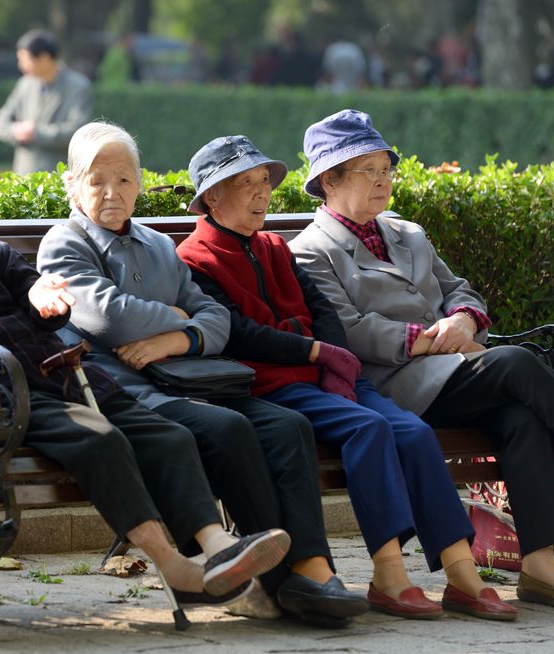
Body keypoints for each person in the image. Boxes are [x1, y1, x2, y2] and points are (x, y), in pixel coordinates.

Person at [0, 146, 291, 606]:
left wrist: (49, 298)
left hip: (70, 378)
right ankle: (176, 567)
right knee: (100, 440)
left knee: (168, 435)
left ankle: (218, 546)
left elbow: (40, 298)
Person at [36, 121, 368, 628]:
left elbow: (216, 319)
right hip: (130, 391)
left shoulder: (158, 245)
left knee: (288, 426)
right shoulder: (65, 244)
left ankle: (309, 569)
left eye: (125, 180)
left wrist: (177, 336)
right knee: (228, 429)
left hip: (197, 378)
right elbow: (107, 316)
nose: (112, 192)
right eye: (97, 179)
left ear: (140, 184)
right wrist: (173, 315)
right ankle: (266, 584)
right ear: (74, 184)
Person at [177, 132, 516, 622]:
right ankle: (389, 574)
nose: (262, 192)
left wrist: (328, 352)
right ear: (212, 196)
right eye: (245, 183)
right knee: (370, 428)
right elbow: (239, 334)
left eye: (263, 181)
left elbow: (322, 311)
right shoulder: (195, 259)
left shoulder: (275, 246)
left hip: (331, 373)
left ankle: (463, 573)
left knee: (415, 433)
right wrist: (312, 348)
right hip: (279, 386)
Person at [289, 108, 554, 612]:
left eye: (386, 169)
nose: (383, 181)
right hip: (396, 385)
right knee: (514, 363)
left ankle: (541, 568)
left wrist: (463, 319)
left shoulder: (409, 233)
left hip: (456, 373)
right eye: (367, 170)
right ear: (329, 181)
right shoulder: (310, 251)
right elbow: (349, 331)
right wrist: (434, 338)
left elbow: (461, 290)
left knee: (522, 417)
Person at [0, 29, 92, 174]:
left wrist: (36, 133)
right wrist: (15, 130)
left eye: (24, 60)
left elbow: (77, 130)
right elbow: (0, 120)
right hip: (23, 175)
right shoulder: (25, 84)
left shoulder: (78, 86)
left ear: (44, 58)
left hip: (59, 178)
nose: (20, 66)